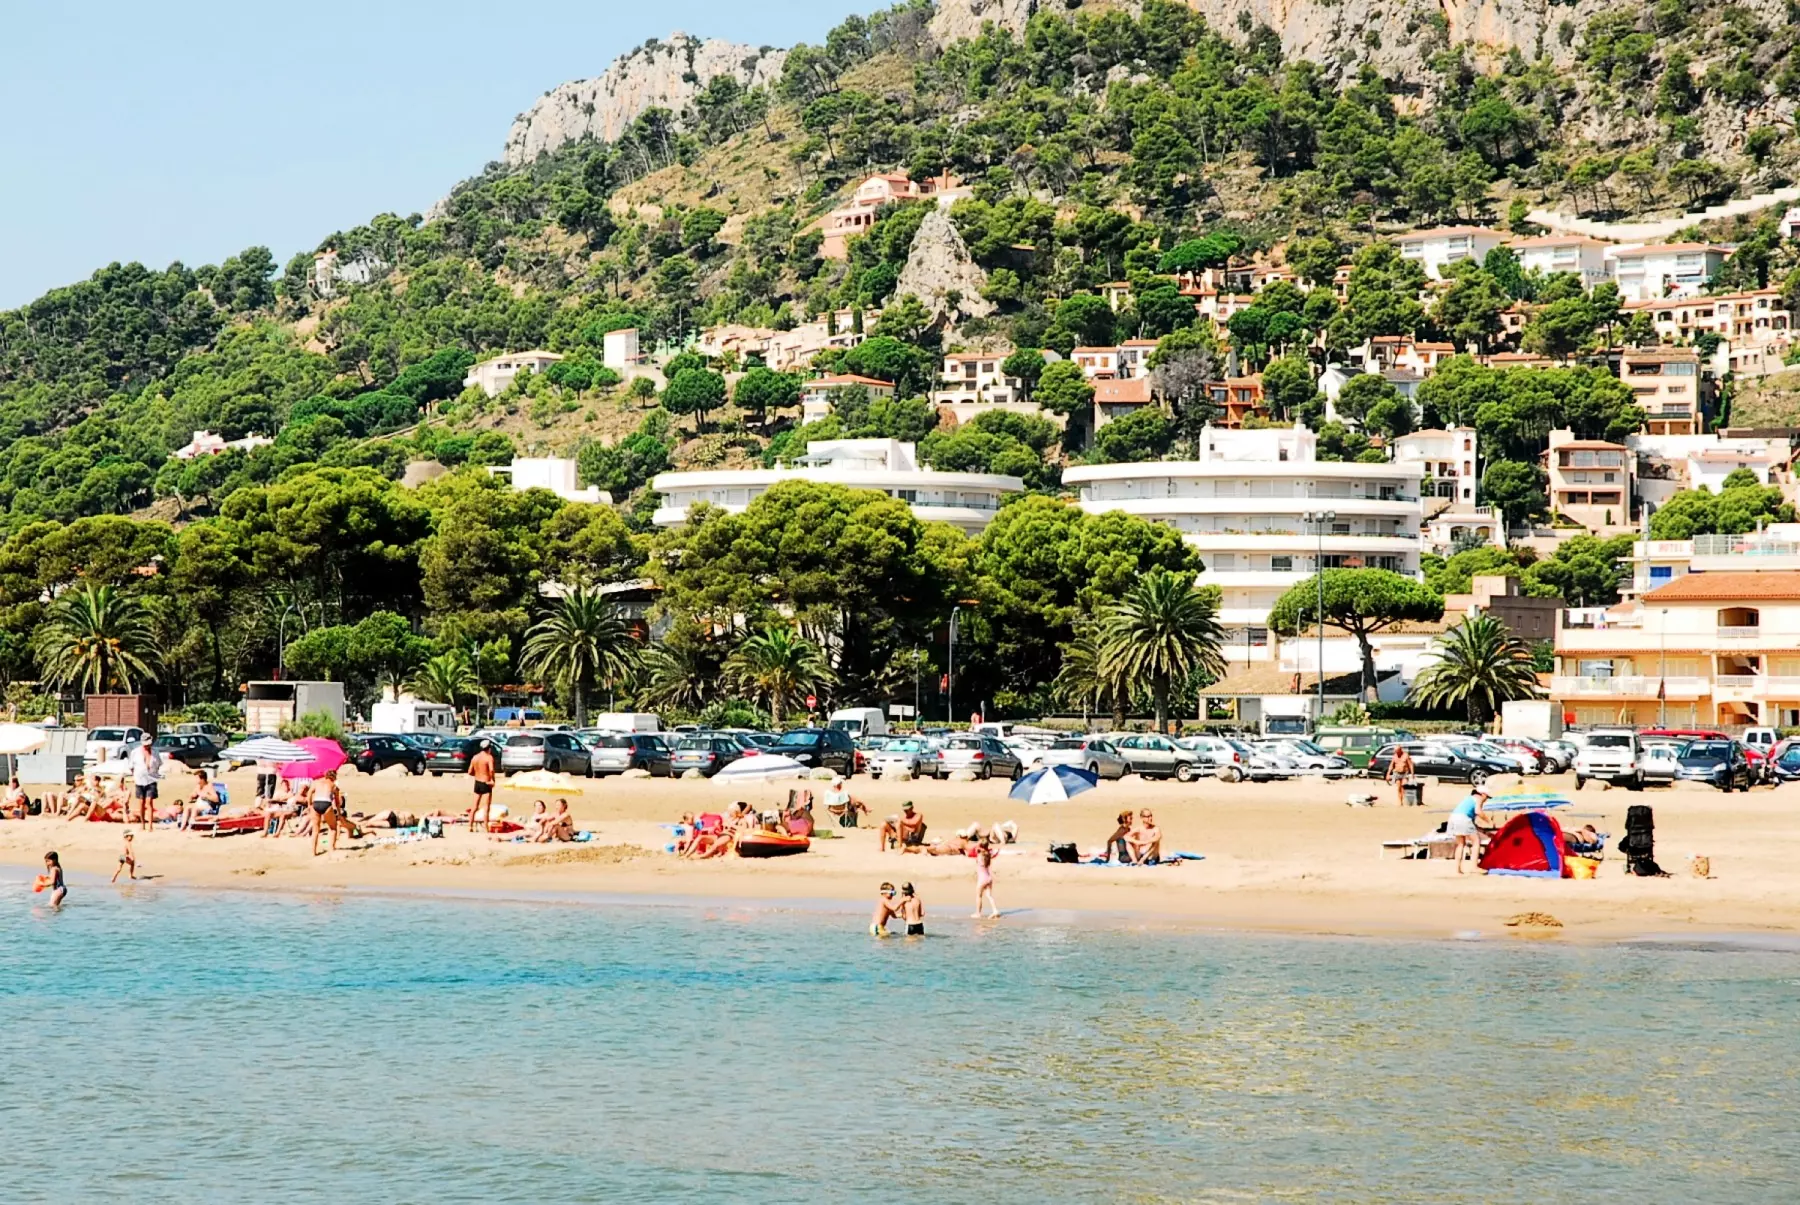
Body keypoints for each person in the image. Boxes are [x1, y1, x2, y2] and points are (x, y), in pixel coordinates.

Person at [1448, 786, 1490, 874]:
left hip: (1453, 818)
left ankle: (1457, 869)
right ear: (1483, 794)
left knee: (1460, 844)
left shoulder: (1468, 799)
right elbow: (1478, 811)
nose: (1486, 800)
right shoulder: (1478, 798)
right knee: (1476, 841)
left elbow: (1472, 824)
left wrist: (1484, 832)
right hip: (1463, 819)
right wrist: (1489, 821)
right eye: (1487, 797)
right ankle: (1474, 867)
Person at [129, 735, 163, 832]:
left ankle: (150, 825)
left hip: (151, 780)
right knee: (141, 803)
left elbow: (159, 764)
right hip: (139, 780)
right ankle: (142, 824)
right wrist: (135, 776)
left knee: (149, 802)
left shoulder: (155, 752)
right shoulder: (135, 752)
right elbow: (131, 766)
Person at [467, 740, 497, 830]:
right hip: (486, 782)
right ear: (489, 748)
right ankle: (486, 827)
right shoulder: (489, 757)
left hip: (477, 782)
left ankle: (470, 825)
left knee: (474, 806)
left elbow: (470, 771)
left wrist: (477, 774)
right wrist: (492, 780)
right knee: (486, 807)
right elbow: (491, 770)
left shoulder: (475, 757)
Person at [971, 839, 999, 918]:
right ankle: (995, 910)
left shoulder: (979, 855)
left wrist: (978, 844)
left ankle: (978, 913)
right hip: (989, 878)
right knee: (989, 895)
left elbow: (973, 849)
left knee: (979, 896)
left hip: (982, 879)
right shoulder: (988, 854)